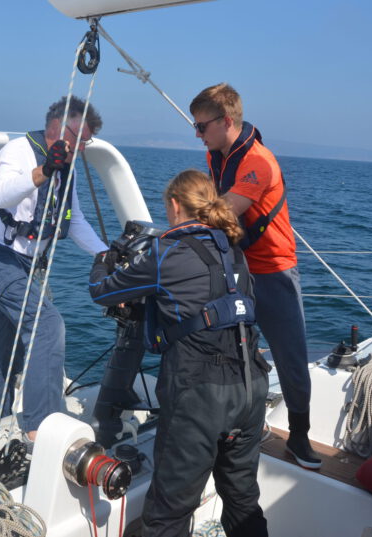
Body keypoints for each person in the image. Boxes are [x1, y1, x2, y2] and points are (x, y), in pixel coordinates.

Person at [89, 169, 270, 537]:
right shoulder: (234, 252)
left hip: (199, 396)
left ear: (174, 205)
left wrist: (104, 258)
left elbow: (103, 291)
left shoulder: (167, 252)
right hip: (250, 388)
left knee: (169, 512)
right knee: (242, 500)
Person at [189, 82, 321, 469]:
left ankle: (298, 436)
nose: (197, 134)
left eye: (201, 127)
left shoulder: (257, 161)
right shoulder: (219, 156)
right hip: (238, 268)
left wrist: (181, 222)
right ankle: (234, 425)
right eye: (195, 127)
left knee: (290, 357)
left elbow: (227, 209)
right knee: (228, 350)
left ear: (225, 121)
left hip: (274, 271)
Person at [0, 95, 107, 442]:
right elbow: (2, 194)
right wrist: (44, 171)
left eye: (86, 142)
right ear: (57, 129)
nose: (83, 149)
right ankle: (41, 428)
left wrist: (106, 254)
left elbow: (74, 222)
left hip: (24, 264)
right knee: (47, 324)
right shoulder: (18, 152)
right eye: (80, 140)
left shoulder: (67, 169)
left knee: (5, 344)